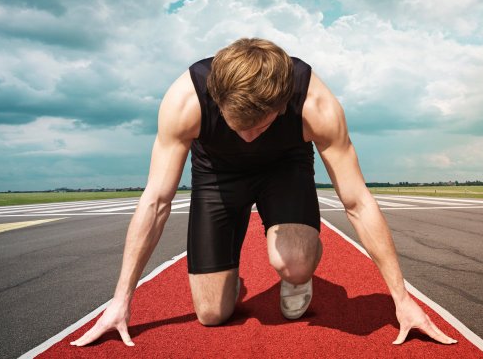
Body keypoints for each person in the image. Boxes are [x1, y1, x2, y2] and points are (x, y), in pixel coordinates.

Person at [71, 38, 457, 347]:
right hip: (217, 173)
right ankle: (227, 284)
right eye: (237, 126)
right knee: (211, 314)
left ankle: (297, 275)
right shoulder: (185, 101)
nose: (247, 137)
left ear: (284, 103)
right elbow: (156, 202)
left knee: (294, 261)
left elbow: (357, 202)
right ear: (216, 100)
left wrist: (401, 301)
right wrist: (121, 301)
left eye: (259, 127)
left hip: (284, 167)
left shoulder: (315, 104)